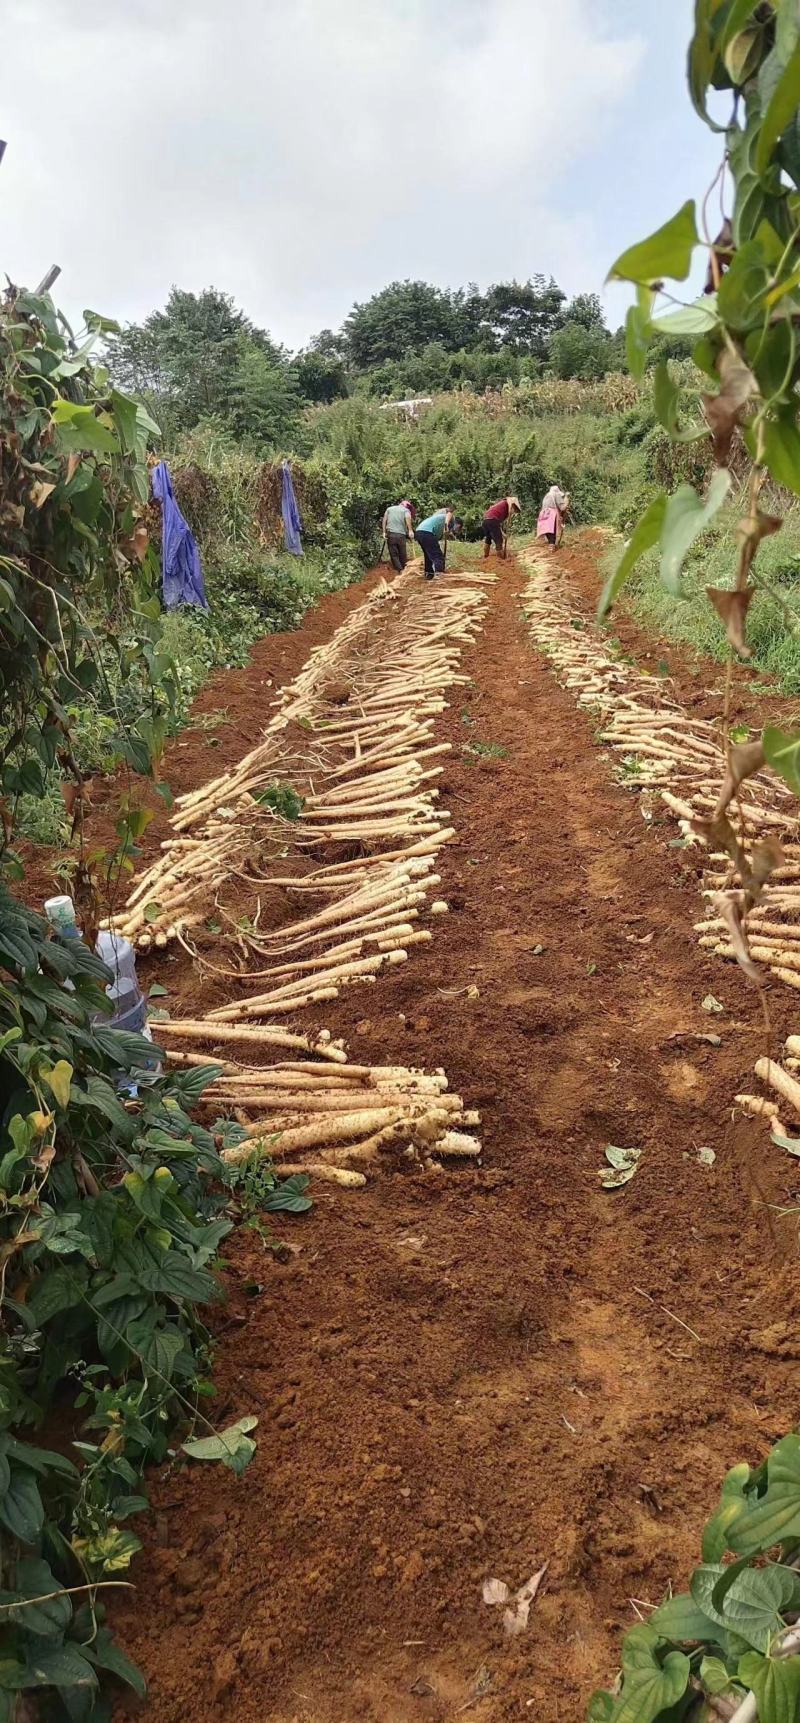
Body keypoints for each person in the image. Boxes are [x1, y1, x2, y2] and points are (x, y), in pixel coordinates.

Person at [415, 506, 462, 579]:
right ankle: (439, 574)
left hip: (419, 532)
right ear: (458, 524)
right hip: (427, 532)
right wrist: (446, 525)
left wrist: (448, 532)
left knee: (428, 555)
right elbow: (450, 513)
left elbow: (438, 536)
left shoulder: (439, 520)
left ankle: (429, 574)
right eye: (458, 527)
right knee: (438, 555)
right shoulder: (450, 519)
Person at [481, 494, 521, 560]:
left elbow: (497, 525)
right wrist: (502, 535)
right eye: (515, 509)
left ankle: (486, 557)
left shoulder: (502, 506)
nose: (514, 512)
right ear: (513, 506)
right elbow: (495, 523)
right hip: (492, 520)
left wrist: (503, 534)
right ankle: (500, 561)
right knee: (499, 541)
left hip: (486, 520)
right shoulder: (506, 504)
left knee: (488, 539)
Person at [382, 499, 415, 573]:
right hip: (401, 535)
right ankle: (404, 568)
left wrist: (384, 532)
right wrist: (410, 530)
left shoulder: (389, 509)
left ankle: (399, 569)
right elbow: (408, 519)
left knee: (393, 554)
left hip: (391, 534)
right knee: (402, 553)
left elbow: (384, 520)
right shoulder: (406, 511)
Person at [537, 483, 570, 550]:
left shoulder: (547, 495)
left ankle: (551, 544)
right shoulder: (556, 494)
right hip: (551, 514)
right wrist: (566, 500)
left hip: (543, 513)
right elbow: (562, 507)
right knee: (552, 529)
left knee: (547, 529)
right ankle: (552, 544)